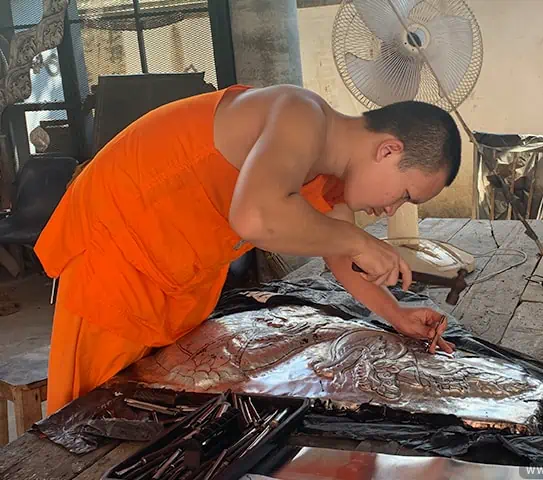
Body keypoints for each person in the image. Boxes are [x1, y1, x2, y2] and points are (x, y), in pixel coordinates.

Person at [34, 83, 462, 414]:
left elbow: (339, 256)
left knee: (151, 404)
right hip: (116, 255)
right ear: (388, 150)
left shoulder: (330, 175)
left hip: (177, 274)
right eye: (404, 194)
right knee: (93, 417)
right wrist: (357, 240)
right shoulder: (301, 114)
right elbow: (256, 216)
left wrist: (396, 314)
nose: (391, 209)